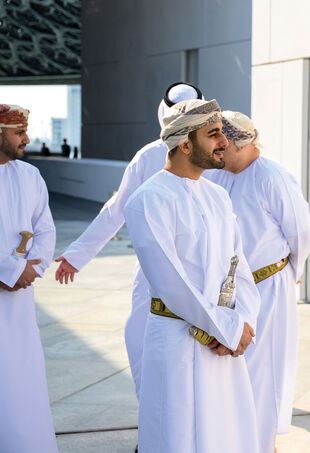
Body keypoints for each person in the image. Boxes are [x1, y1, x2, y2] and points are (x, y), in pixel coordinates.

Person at [124, 98, 261, 452]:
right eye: (213, 134)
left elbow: (239, 266)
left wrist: (243, 322)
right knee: (177, 435)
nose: (224, 143)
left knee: (225, 435)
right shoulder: (148, 199)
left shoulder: (217, 196)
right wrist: (226, 329)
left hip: (222, 345)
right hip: (177, 342)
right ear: (185, 144)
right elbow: (171, 283)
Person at [54, 82, 204, 398]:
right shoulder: (149, 156)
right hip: (153, 272)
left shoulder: (218, 153)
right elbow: (117, 210)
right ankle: (153, 435)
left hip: (207, 272)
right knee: (142, 347)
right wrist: (77, 254)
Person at [204, 111, 310, 453]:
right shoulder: (217, 177)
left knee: (263, 374)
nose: (218, 150)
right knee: (227, 371)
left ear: (243, 142)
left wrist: (289, 274)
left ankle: (261, 446)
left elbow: (301, 234)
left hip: (270, 287)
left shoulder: (274, 176)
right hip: (228, 292)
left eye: (224, 144)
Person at [0, 104, 58, 452]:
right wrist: (8, 270)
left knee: (21, 383)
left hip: (19, 305)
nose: (27, 139)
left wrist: (31, 270)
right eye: (18, 132)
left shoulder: (30, 176)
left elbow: (45, 230)